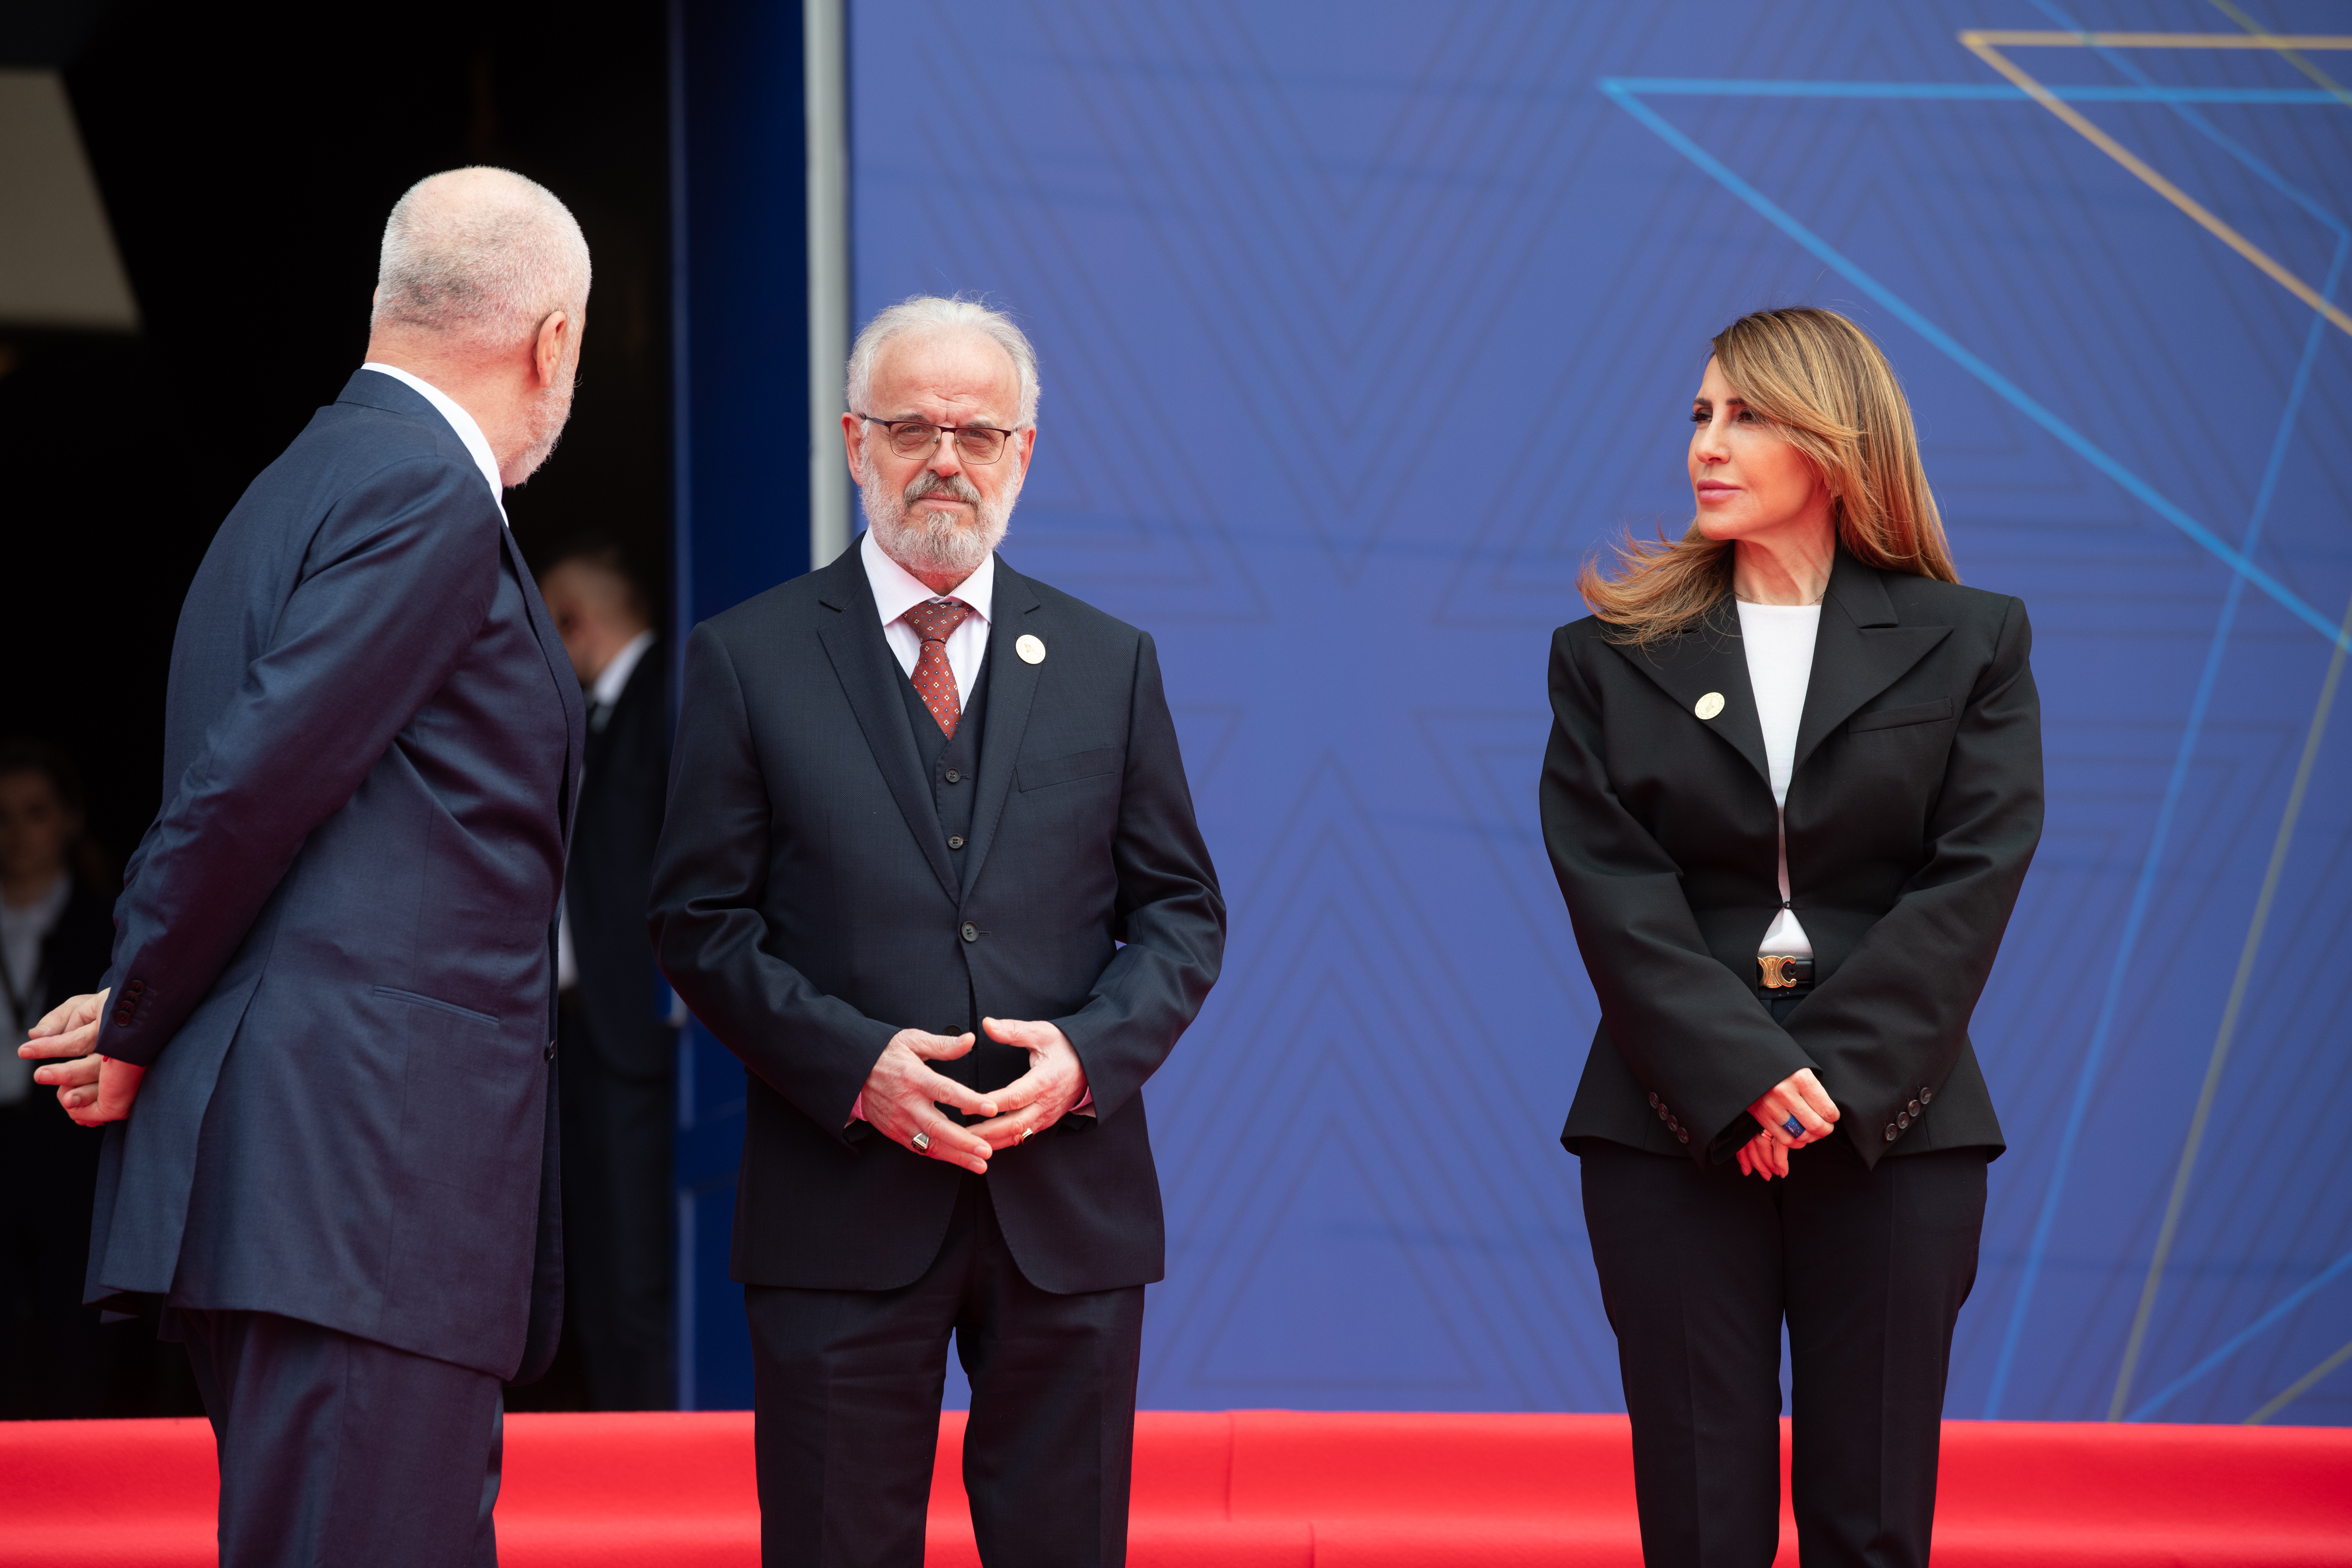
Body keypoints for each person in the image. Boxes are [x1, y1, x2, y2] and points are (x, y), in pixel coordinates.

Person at [19, 166, 590, 1567]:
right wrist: (144, 1007)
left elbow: (273, 800)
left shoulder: (298, 486)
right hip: (368, 1192)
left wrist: (154, 999)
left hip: (319, 1194)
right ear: (551, 341)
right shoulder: (427, 497)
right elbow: (252, 786)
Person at [650, 295, 1225, 1568]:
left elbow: (1182, 912)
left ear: (1026, 453)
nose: (945, 458)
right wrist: (853, 1067)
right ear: (857, 444)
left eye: (979, 430)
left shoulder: (1107, 661)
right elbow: (697, 919)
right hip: (836, 1201)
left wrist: (1091, 1058)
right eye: (912, 427)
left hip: (1065, 1204)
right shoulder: (746, 660)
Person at [1540, 307, 2043, 1568]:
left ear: (1834, 440)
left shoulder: (1972, 642)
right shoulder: (1606, 657)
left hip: (1896, 1131)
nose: (1708, 444)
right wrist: (1746, 1077)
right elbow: (1615, 891)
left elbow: (1971, 878)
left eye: (1746, 414)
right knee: (1700, 1529)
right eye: (1702, 415)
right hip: (1669, 1130)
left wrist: (1829, 1082)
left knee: (1871, 1527)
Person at [536, 537, 674, 1410]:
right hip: (576, 1034)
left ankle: (656, 1450)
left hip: (644, 1029)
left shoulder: (676, 690)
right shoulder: (595, 714)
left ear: (572, 623)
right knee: (590, 1258)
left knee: (638, 1262)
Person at [0, 739, 116, 1418]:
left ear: (69, 819)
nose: (17, 833)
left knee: (74, 1330)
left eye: (35, 812)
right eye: (4, 815)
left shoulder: (111, 919)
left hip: (71, 1142)